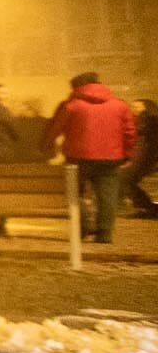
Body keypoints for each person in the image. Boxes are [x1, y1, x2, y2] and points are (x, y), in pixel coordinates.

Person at [46, 73, 138, 245]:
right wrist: (128, 154)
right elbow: (130, 133)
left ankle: (83, 227)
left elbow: (55, 129)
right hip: (111, 158)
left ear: (76, 87)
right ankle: (104, 235)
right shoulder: (120, 106)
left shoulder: (72, 105)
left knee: (75, 193)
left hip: (77, 158)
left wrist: (48, 146)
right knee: (107, 197)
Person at [128, 98, 158, 219]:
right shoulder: (148, 119)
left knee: (128, 180)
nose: (134, 109)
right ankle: (149, 207)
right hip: (147, 156)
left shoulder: (148, 119)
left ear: (146, 107)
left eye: (137, 107)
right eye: (133, 107)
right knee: (130, 180)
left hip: (147, 157)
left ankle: (148, 207)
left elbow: (145, 136)